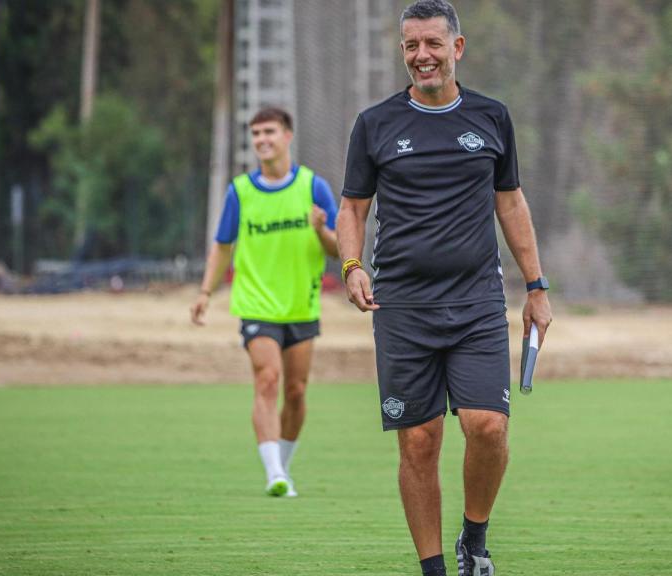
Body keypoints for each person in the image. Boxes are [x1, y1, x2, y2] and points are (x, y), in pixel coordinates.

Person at [336, 2, 552, 575]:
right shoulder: (375, 124)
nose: (421, 56)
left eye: (432, 44)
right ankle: (434, 569)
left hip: (477, 303)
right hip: (401, 308)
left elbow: (510, 201)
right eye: (411, 46)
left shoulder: (491, 117)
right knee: (420, 442)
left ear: (457, 48)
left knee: (488, 426)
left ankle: (473, 540)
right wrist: (352, 265)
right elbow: (353, 207)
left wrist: (536, 286)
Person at [190, 107, 339, 497]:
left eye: (269, 131)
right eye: (255, 134)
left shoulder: (313, 187)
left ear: (288, 135)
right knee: (267, 379)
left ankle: (282, 468)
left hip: (302, 306)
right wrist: (206, 293)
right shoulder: (240, 191)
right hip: (256, 305)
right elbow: (222, 247)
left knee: (296, 392)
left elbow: (340, 248)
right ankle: (273, 473)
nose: (262, 140)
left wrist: (322, 230)